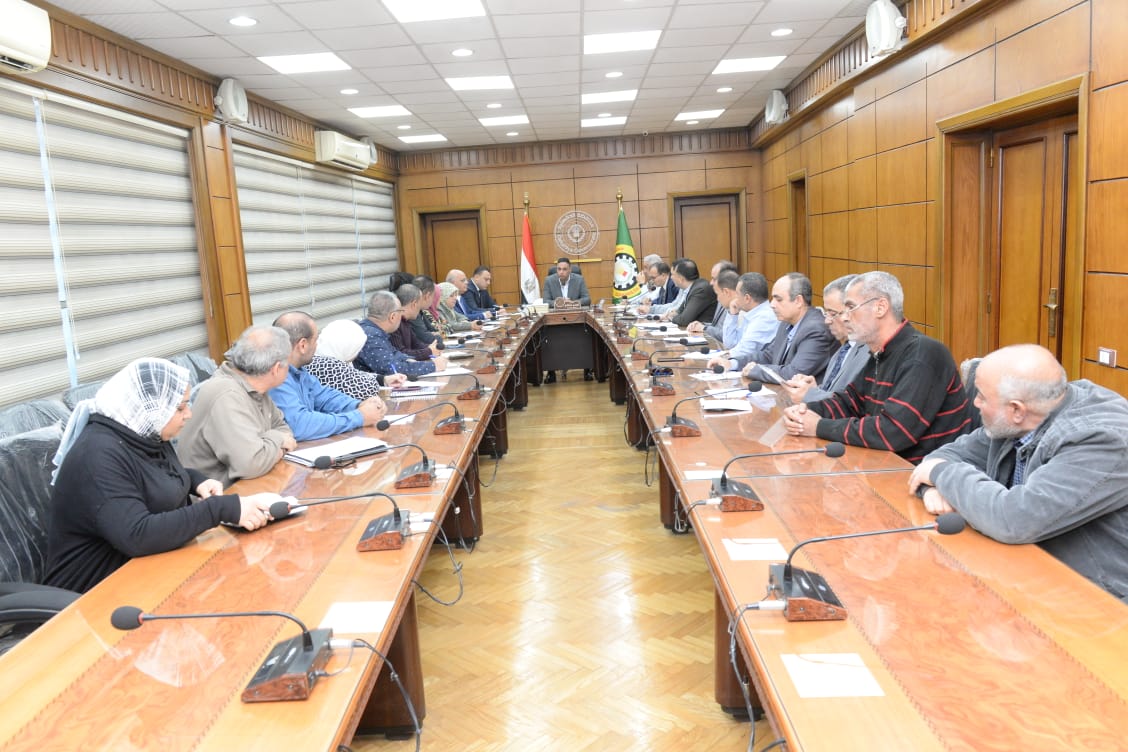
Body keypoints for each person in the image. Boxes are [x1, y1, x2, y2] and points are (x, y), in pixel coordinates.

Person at [908, 344, 1128, 601]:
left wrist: (942, 475)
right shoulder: (1026, 415)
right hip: (1024, 573)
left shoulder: (1100, 439)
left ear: (1017, 410)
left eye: (981, 397)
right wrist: (932, 486)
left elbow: (1014, 519)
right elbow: (944, 456)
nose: (975, 403)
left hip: (1099, 601)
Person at [43, 358, 282, 593]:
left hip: (151, 570)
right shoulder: (97, 455)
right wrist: (219, 509)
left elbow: (151, 476)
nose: (188, 414)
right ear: (149, 408)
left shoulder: (145, 433)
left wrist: (196, 482)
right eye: (179, 408)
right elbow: (137, 535)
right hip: (93, 593)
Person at [782, 271, 974, 463]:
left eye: (850, 307)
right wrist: (805, 411)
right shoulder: (880, 353)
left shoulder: (923, 354)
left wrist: (818, 426)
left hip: (923, 471)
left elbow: (893, 432)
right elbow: (849, 403)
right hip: (885, 463)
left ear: (880, 308)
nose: (845, 317)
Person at [175, 326, 297, 486]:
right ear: (276, 369)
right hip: (218, 494)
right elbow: (251, 464)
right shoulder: (226, 394)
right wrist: (278, 439)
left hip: (252, 484)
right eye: (288, 364)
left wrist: (269, 445)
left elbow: (284, 429)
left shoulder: (255, 386)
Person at [269, 311, 387, 442]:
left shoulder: (299, 371)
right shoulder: (275, 376)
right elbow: (300, 425)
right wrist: (359, 417)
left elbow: (325, 398)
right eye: (315, 340)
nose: (317, 345)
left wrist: (358, 405)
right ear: (302, 345)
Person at [710, 272, 837, 383]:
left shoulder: (816, 330)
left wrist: (756, 370)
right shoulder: (786, 322)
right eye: (773, 298)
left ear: (798, 301)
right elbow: (768, 355)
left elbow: (794, 373)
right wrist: (732, 363)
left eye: (778, 299)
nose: (772, 304)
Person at [779, 274, 870, 403]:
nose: (827, 321)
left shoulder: (870, 353)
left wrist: (810, 395)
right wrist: (815, 388)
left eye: (833, 314)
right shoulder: (845, 347)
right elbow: (835, 392)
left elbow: (853, 404)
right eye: (826, 313)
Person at [307, 319, 407, 401]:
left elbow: (355, 375)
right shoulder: (327, 365)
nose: (357, 354)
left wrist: (384, 379)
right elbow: (365, 390)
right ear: (347, 348)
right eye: (356, 349)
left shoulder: (319, 356)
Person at [356, 291, 449, 378]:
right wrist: (433, 366)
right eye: (400, 312)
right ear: (392, 317)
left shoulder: (373, 330)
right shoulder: (371, 335)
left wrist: (408, 360)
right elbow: (392, 369)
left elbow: (395, 354)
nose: (402, 315)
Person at [688, 267, 742, 347]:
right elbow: (717, 326)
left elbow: (727, 336)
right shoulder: (730, 305)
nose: (717, 299)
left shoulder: (741, 309)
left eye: (717, 294)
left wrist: (704, 328)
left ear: (726, 292)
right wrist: (701, 325)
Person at [388, 284, 440, 361]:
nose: (420, 309)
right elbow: (401, 354)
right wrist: (429, 351)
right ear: (414, 304)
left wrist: (433, 348)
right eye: (420, 303)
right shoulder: (395, 323)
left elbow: (416, 344)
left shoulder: (405, 321)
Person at [412, 275, 444, 347]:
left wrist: (433, 334)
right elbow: (427, 339)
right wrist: (436, 336)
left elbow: (434, 330)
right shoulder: (413, 313)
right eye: (433, 296)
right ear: (427, 296)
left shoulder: (421, 310)